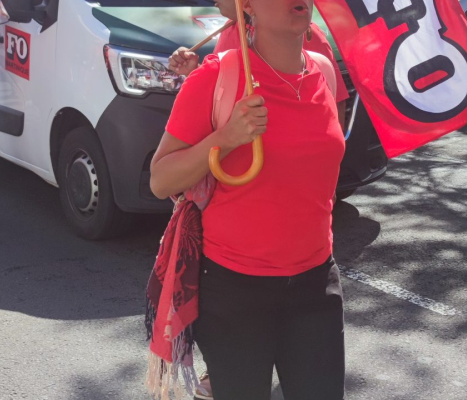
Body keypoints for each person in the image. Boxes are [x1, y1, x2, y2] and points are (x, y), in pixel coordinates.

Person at [150, 0, 346, 398]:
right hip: (235, 293)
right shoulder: (215, 77)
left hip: (316, 283)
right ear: (248, 6)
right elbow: (160, 179)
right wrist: (224, 139)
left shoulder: (324, 71)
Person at [169, 0, 349, 129]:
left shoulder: (300, 33)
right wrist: (195, 74)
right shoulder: (231, 30)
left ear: (247, 4)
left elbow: (334, 107)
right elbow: (219, 94)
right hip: (237, 161)